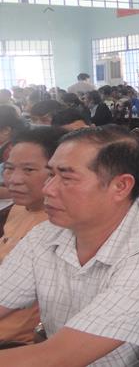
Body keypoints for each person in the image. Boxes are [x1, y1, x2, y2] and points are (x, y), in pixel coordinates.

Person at [0, 126, 139, 365]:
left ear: (120, 186)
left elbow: (58, 356)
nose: (47, 189)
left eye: (67, 178)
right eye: (51, 174)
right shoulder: (46, 234)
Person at [0, 127, 66, 343]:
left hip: (14, 343)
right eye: (9, 168)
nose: (14, 179)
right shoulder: (20, 207)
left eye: (28, 170)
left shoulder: (59, 226)